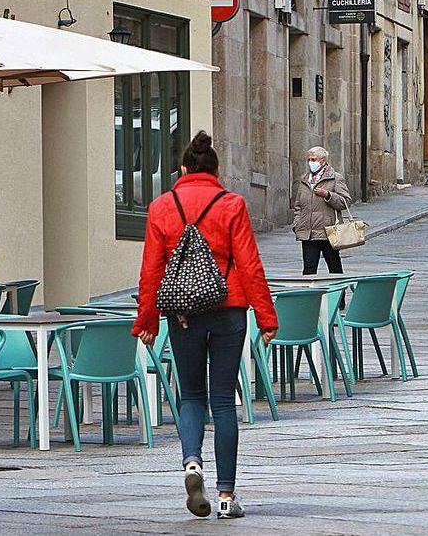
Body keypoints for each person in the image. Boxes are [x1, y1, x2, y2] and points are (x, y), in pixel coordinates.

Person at [134, 131, 278, 520]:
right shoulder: (231, 203)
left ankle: (192, 462)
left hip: (183, 315)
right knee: (223, 401)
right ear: (216, 170)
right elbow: (249, 263)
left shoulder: (161, 207)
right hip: (229, 309)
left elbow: (151, 271)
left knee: (191, 396)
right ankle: (228, 496)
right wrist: (266, 318)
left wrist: (146, 320)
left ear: (182, 169)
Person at [292, 146, 352, 275]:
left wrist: (328, 195)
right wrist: (297, 223)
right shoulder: (304, 179)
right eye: (309, 159)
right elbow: (298, 205)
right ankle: (309, 295)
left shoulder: (335, 178)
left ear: (323, 161)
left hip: (328, 232)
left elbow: (345, 202)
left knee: (334, 267)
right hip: (307, 232)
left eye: (313, 159)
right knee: (308, 270)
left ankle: (338, 295)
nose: (310, 162)